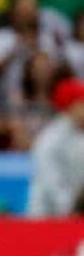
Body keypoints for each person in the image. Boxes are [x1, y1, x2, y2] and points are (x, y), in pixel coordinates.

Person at [27, 78, 84, 216]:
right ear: (71, 106)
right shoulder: (51, 140)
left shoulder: (79, 135)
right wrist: (70, 208)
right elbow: (51, 180)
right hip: (48, 215)